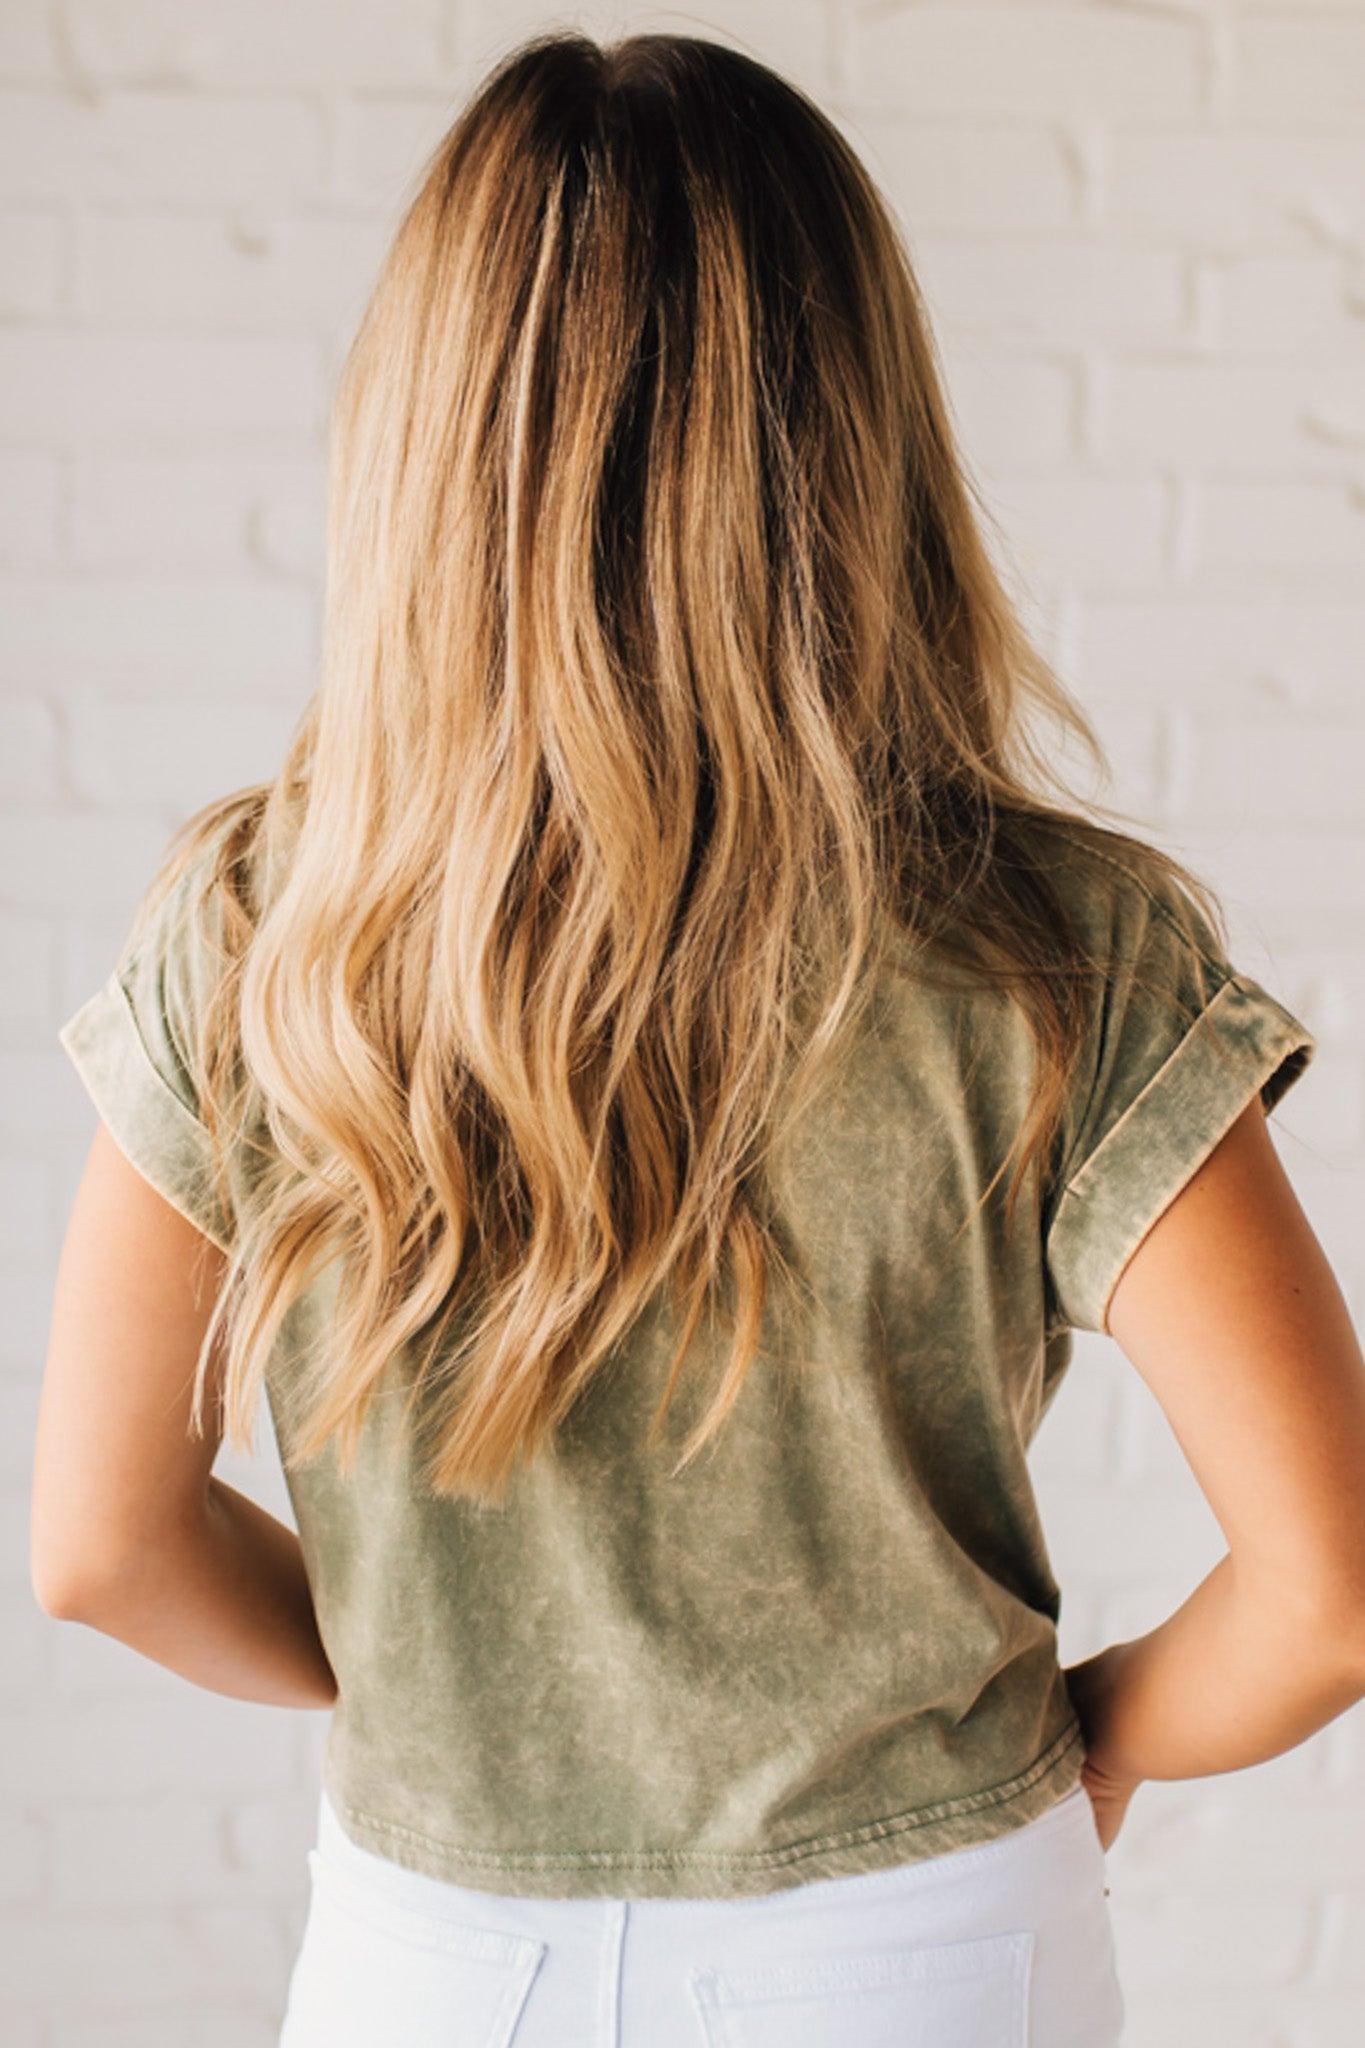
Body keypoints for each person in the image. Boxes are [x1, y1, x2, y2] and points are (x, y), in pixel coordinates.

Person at [32, 29, 1365, 2048]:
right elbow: (1329, 1588)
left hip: (433, 1956)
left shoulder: (255, 932)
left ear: (419, 444)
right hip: (925, 1945)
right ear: (859, 437)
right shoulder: (1057, 948)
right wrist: (1085, 1747)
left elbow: (98, 1542)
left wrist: (425, 1683)